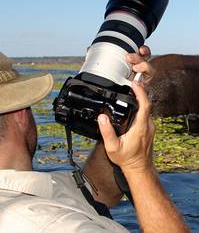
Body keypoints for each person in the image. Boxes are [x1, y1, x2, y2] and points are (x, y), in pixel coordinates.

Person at [0, 48, 189, 232]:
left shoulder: (31, 187)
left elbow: (99, 191)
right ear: (20, 113)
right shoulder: (53, 225)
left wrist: (126, 101)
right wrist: (138, 166)